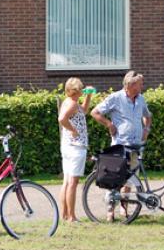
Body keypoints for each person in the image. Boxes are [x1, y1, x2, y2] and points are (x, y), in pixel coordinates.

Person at [91, 71, 152, 222]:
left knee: (130, 180)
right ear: (131, 85)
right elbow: (95, 112)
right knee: (115, 179)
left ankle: (124, 210)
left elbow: (148, 116)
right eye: (140, 84)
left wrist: (146, 129)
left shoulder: (141, 99)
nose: (142, 86)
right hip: (120, 145)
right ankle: (110, 211)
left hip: (135, 145)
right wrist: (109, 124)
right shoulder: (116, 98)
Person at [58, 77, 93, 223]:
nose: (82, 90)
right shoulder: (72, 104)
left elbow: (83, 111)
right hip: (76, 147)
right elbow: (62, 119)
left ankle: (65, 214)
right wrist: (73, 130)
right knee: (73, 182)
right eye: (81, 89)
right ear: (76, 90)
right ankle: (71, 216)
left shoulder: (69, 102)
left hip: (68, 146)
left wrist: (89, 96)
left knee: (67, 181)